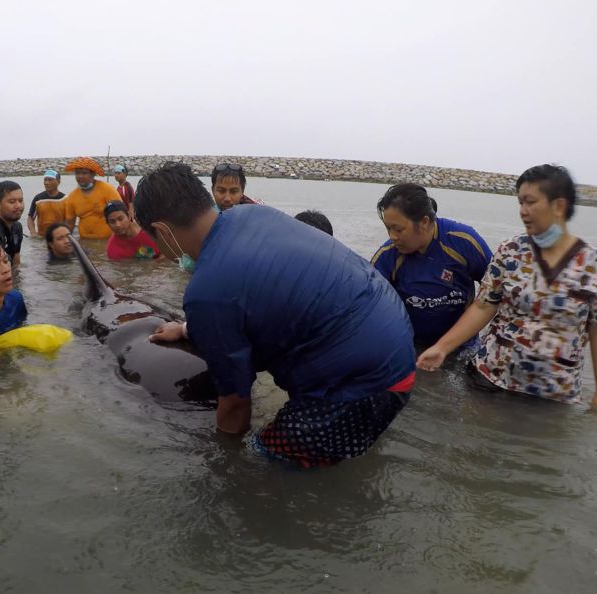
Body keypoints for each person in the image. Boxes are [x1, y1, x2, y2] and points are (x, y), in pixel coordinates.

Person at [138, 162, 415, 468]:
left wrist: (223, 461)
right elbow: (269, 301)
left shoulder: (206, 292)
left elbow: (235, 404)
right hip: (397, 340)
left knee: (264, 459)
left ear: (162, 230)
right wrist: (192, 329)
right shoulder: (253, 214)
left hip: (369, 384)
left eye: (155, 241)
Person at [417, 165, 597, 407]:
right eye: (520, 202)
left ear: (559, 206)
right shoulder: (511, 252)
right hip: (489, 380)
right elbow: (483, 307)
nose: (523, 211)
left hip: (552, 398)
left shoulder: (590, 265)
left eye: (530, 202)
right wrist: (442, 347)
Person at [371, 183, 492, 349]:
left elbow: (497, 292)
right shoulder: (387, 257)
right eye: (388, 228)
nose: (392, 236)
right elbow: (366, 307)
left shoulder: (463, 242)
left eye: (398, 229)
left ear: (424, 222)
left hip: (461, 345)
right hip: (412, 344)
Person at [62, 156, 122, 239]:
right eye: (78, 173)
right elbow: (70, 224)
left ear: (92, 174)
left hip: (108, 241)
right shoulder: (72, 197)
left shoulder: (107, 189)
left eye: (84, 173)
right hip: (84, 241)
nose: (80, 176)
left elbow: (121, 213)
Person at [27, 169, 66, 236]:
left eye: (50, 180)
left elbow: (70, 220)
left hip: (59, 237)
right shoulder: (38, 199)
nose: (46, 183)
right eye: (45, 180)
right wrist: (33, 232)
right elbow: (30, 218)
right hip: (42, 237)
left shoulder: (65, 199)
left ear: (58, 181)